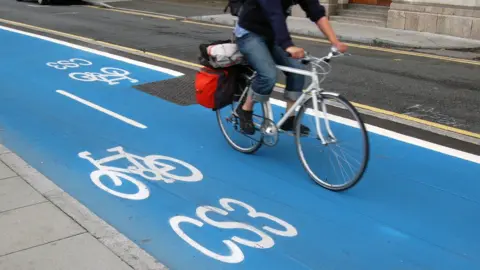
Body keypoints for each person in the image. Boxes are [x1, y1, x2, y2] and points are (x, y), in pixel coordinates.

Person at [234, 0, 348, 135]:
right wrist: (287, 45)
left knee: (298, 69)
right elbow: (274, 14)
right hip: (249, 33)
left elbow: (317, 13)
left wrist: (335, 42)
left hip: (272, 34)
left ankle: (289, 118)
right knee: (268, 74)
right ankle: (245, 110)